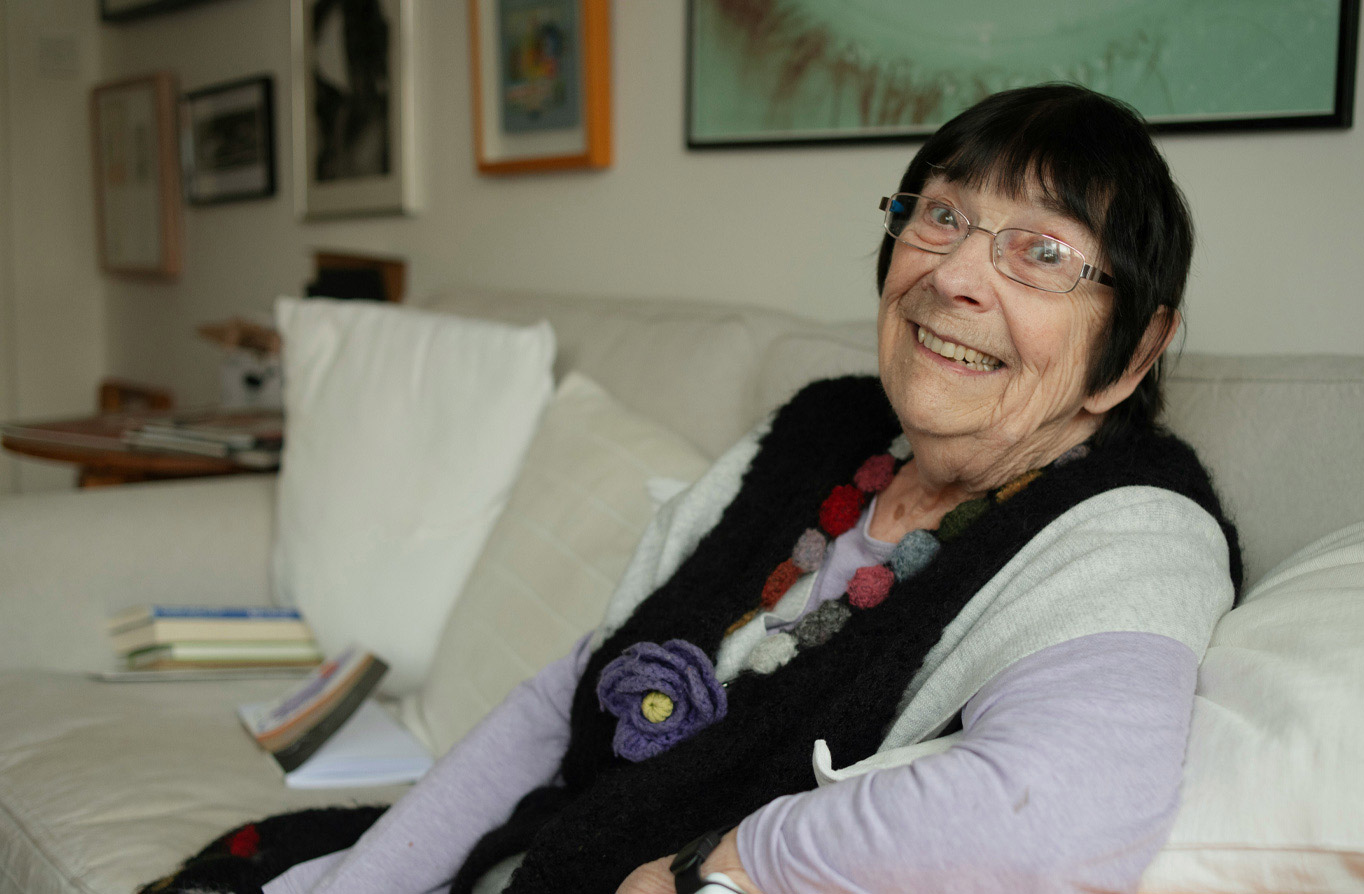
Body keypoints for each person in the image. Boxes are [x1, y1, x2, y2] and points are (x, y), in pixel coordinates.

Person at [144, 83, 1239, 894]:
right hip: (544, 849)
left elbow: (1053, 811)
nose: (953, 274)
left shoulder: (1127, 528)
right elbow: (574, 691)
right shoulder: (824, 430)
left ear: (1135, 350)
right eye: (940, 214)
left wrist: (717, 864)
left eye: (1041, 254)